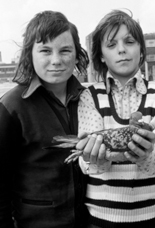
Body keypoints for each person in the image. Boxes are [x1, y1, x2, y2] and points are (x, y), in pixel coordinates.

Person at [76, 9, 155, 228]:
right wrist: (93, 156)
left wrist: (148, 150)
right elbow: (87, 165)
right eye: (111, 45)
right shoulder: (89, 96)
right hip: (101, 218)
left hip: (153, 217)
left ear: (141, 49)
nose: (121, 50)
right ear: (101, 55)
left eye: (129, 41)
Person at [0, 10, 89, 228]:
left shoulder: (90, 100)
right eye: (45, 51)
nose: (56, 60)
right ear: (29, 54)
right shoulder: (11, 106)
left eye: (65, 50)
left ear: (77, 54)